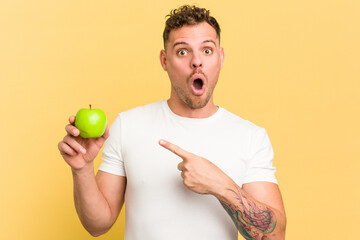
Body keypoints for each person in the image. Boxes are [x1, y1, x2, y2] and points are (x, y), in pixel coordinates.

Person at [58, 5, 286, 240]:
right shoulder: (128, 125)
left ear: (220, 57)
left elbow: (275, 236)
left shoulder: (250, 137)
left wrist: (221, 185)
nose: (197, 62)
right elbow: (98, 225)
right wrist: (82, 169)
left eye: (207, 51)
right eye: (183, 52)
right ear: (164, 60)